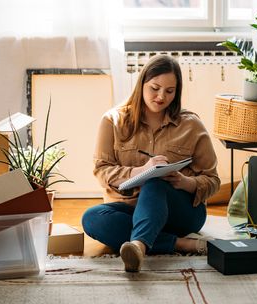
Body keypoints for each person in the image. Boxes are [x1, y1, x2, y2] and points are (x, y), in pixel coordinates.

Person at [82, 54, 220, 272]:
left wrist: (185, 182)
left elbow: (212, 180)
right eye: (154, 88)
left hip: (180, 213)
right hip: (130, 209)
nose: (161, 97)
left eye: (169, 91)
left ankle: (138, 245)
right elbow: (101, 171)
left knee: (155, 183)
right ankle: (180, 244)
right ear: (142, 84)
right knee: (91, 218)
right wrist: (141, 170)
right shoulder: (112, 121)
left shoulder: (191, 125)